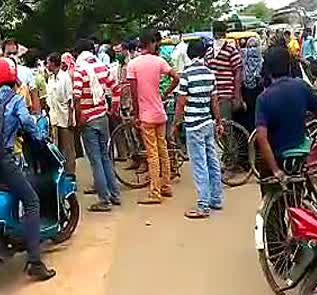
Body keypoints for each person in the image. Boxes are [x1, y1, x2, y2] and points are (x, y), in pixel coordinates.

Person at [0, 57, 56, 281]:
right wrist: (41, 136)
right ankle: (34, 261)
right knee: (32, 200)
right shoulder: (15, 100)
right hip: (5, 159)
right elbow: (27, 123)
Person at [256, 47, 317, 182]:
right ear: (289, 66)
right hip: (300, 152)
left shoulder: (263, 98)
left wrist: (275, 170)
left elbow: (262, 138)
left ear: (267, 70)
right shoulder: (301, 86)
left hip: (278, 157)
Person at [126, 31, 180, 205]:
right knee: (162, 149)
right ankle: (166, 186)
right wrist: (165, 93)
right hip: (159, 112)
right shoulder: (159, 61)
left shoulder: (133, 65)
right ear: (151, 44)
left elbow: (134, 93)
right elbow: (176, 78)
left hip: (146, 114)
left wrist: (136, 114)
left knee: (152, 154)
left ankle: (155, 192)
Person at [174, 39, 225, 219]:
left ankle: (203, 205)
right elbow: (214, 101)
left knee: (199, 164)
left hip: (193, 124)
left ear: (189, 54)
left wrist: (176, 123)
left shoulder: (187, 74)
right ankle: (216, 198)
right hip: (208, 122)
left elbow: (181, 103)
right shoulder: (210, 74)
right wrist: (218, 122)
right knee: (212, 160)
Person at [73, 39, 122, 212]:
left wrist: (80, 118)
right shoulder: (102, 67)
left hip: (88, 120)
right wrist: (113, 109)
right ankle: (115, 194)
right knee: (106, 157)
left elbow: (77, 96)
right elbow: (116, 89)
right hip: (102, 116)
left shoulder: (79, 70)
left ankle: (104, 200)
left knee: (95, 160)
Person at [206, 21, 243, 120]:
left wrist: (237, 96)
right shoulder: (209, 52)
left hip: (225, 96)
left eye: (220, 32)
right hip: (211, 96)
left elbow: (238, 73)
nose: (218, 35)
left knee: (225, 126)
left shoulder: (231, 50)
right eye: (217, 32)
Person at [46, 53, 76, 175]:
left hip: (64, 117)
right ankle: (61, 174)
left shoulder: (65, 77)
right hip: (54, 117)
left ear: (53, 63)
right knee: (57, 148)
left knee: (68, 148)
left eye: (48, 62)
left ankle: (70, 174)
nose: (47, 65)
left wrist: (70, 118)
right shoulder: (50, 78)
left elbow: (70, 100)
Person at [3, 38, 41, 114]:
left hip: (24, 116)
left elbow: (34, 95)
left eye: (14, 54)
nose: (11, 56)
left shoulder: (26, 71)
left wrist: (37, 116)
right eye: (8, 54)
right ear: (3, 54)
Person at [238, 36, 264, 131]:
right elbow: (240, 83)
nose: (252, 49)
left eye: (255, 46)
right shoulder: (243, 65)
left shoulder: (263, 63)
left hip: (260, 100)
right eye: (250, 47)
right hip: (247, 101)